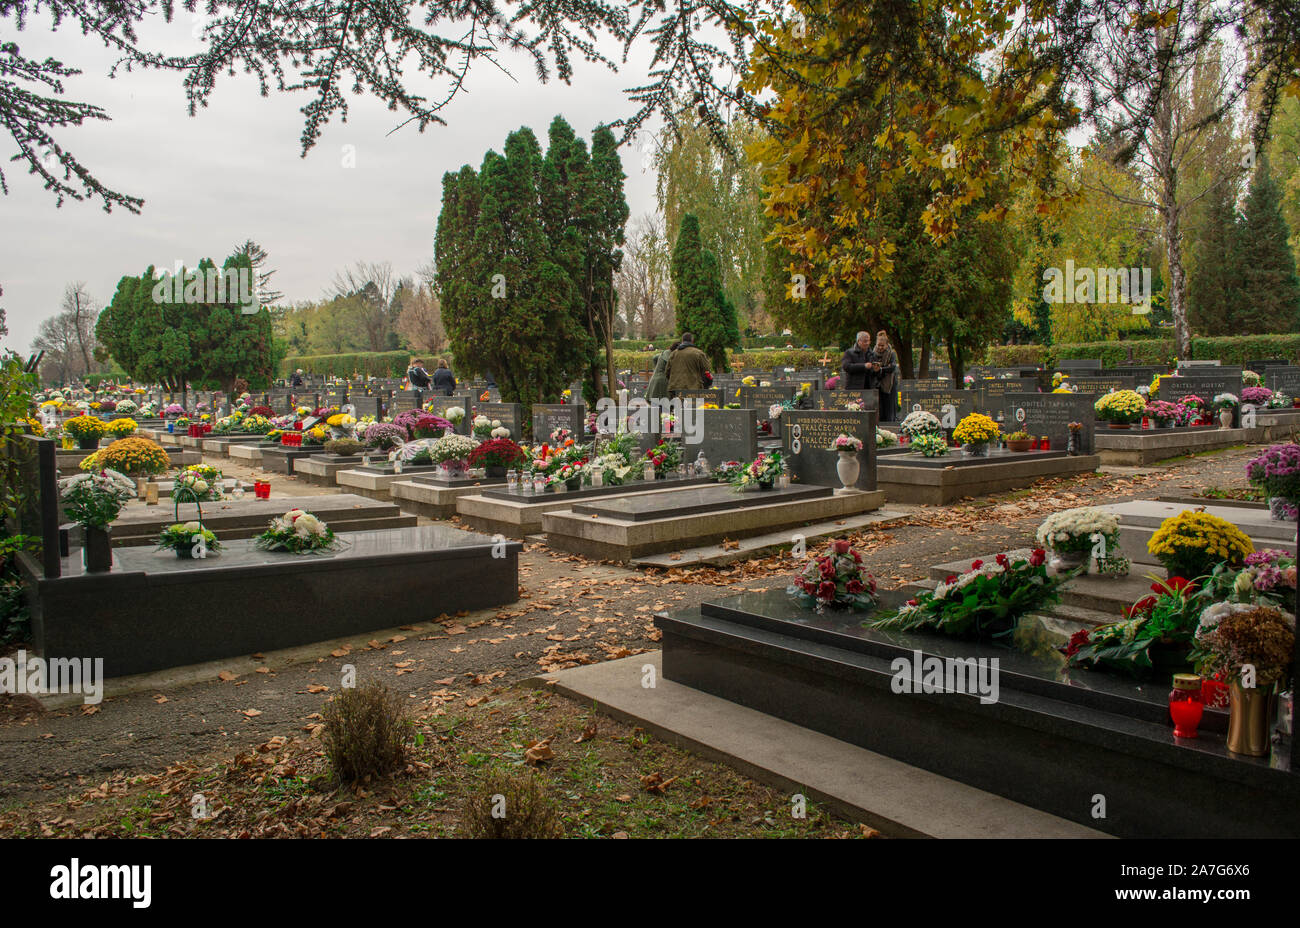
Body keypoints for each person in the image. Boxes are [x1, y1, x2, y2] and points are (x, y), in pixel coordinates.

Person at [870, 330, 898, 422]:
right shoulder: (872, 353)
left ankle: (890, 423)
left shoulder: (891, 353)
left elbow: (892, 367)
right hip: (877, 383)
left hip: (888, 384)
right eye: (879, 345)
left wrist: (881, 369)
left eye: (883, 345)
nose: (880, 347)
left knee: (889, 407)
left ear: (887, 345)